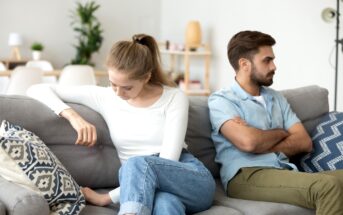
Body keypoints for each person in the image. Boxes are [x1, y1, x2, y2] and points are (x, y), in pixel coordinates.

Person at [27, 34, 215, 215]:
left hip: (189, 178)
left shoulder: (174, 97)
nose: (118, 93)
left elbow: (168, 161)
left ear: (146, 77)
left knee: (137, 163)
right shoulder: (106, 97)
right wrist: (74, 117)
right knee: (166, 204)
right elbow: (36, 89)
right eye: (113, 84)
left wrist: (106, 198)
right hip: (149, 190)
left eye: (127, 87)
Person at [208, 30, 343, 215]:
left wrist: (259, 141)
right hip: (245, 175)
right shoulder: (222, 101)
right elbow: (249, 142)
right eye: (267, 60)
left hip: (282, 170)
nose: (274, 66)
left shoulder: (276, 98)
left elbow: (304, 142)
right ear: (244, 64)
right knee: (327, 186)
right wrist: (282, 132)